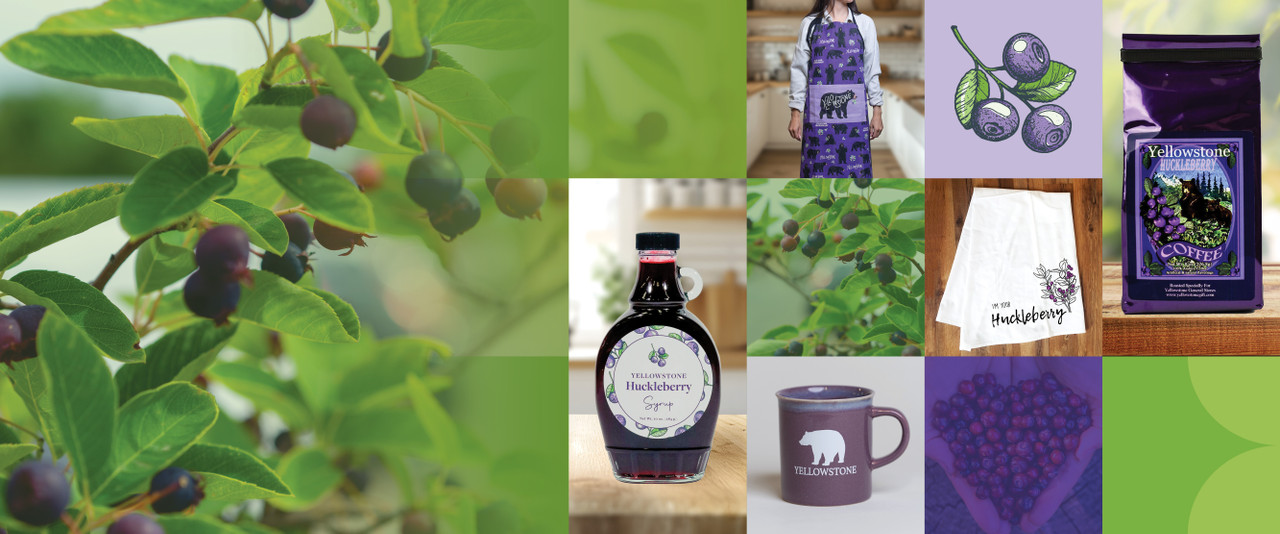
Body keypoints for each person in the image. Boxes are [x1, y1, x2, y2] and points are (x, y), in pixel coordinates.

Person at [787, 0, 883, 179]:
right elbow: (799, 71)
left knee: (856, 176)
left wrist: (877, 112)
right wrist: (795, 114)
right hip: (819, 118)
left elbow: (872, 71)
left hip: (854, 118)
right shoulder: (810, 24)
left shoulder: (865, 23)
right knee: (816, 175)